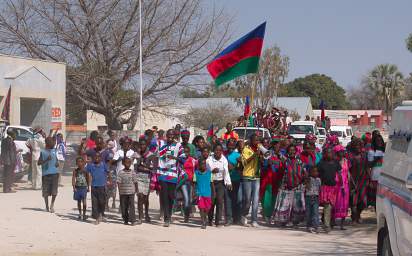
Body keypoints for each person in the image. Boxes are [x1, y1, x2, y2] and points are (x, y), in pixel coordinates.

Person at [272, 144, 306, 227]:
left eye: (293, 150)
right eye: (290, 150)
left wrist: (304, 181)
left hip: (297, 186)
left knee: (296, 205)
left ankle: (295, 221)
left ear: (296, 151)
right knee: (284, 203)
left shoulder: (299, 161)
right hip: (285, 186)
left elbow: (304, 172)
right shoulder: (285, 160)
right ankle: (283, 220)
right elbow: (277, 167)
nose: (292, 152)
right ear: (287, 152)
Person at [157, 129, 181, 227]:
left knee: (171, 196)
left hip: (173, 174)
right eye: (169, 134)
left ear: (174, 135)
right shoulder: (161, 143)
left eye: (172, 134)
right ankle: (166, 218)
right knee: (164, 196)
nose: (170, 136)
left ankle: (169, 214)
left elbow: (183, 158)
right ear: (166, 135)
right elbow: (153, 149)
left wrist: (175, 158)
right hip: (162, 173)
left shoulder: (178, 146)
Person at [206, 144, 232, 227]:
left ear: (222, 151)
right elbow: (208, 169)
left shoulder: (224, 159)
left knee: (220, 201)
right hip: (211, 183)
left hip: (220, 183)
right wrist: (212, 170)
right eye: (216, 150)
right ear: (214, 151)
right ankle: (210, 219)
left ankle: (217, 221)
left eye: (220, 150)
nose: (218, 152)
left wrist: (228, 183)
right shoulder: (209, 159)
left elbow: (226, 172)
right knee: (212, 201)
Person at [318, 147, 341, 233]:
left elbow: (339, 173)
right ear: (324, 154)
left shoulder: (336, 163)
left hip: (333, 187)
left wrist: (341, 184)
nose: (329, 154)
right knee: (327, 205)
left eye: (330, 152)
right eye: (327, 153)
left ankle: (326, 221)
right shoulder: (321, 163)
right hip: (324, 187)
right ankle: (327, 225)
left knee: (330, 206)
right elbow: (317, 174)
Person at [134, 138, 157, 224]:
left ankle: (146, 214)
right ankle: (140, 217)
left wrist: (143, 166)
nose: (142, 146)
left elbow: (153, 168)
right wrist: (145, 167)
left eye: (144, 144)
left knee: (146, 198)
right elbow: (136, 167)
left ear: (147, 145)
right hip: (138, 177)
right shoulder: (136, 154)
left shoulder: (151, 155)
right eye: (141, 145)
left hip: (147, 178)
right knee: (140, 196)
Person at [260, 137, 283, 223]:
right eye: (275, 144)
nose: (276, 145)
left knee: (275, 197)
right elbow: (264, 165)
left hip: (277, 179)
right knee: (267, 197)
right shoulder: (268, 153)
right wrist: (266, 162)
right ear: (272, 145)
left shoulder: (281, 154)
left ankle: (272, 213)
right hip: (268, 179)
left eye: (278, 143)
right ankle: (267, 214)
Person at [240, 134, 261, 227]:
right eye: (255, 140)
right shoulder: (246, 149)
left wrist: (262, 156)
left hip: (256, 177)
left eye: (258, 140)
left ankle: (254, 220)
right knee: (247, 199)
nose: (256, 142)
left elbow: (263, 161)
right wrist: (254, 155)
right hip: (247, 177)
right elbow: (244, 163)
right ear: (251, 140)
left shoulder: (260, 148)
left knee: (255, 200)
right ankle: (244, 215)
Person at [348, 138, 370, 224]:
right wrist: (350, 180)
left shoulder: (364, 155)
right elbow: (348, 169)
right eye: (356, 145)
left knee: (364, 201)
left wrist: (369, 178)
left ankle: (358, 213)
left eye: (359, 145)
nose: (358, 147)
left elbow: (367, 166)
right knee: (353, 201)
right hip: (352, 180)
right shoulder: (350, 156)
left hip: (363, 180)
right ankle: (354, 217)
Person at [87, 152, 111, 225]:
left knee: (102, 202)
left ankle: (101, 213)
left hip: (102, 186)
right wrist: (88, 184)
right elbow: (86, 173)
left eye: (98, 157)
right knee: (94, 203)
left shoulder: (103, 165)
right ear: (93, 158)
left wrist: (109, 180)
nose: (97, 158)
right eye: (95, 157)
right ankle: (97, 218)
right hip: (94, 186)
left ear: (101, 158)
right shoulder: (91, 165)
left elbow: (108, 172)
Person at [38, 137, 60, 213]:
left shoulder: (54, 151)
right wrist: (47, 160)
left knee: (54, 191)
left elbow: (56, 161)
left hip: (55, 174)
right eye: (52, 142)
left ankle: (52, 205)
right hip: (46, 175)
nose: (54, 143)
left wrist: (57, 163)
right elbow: (39, 163)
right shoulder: (42, 152)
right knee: (45, 192)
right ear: (47, 143)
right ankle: (47, 206)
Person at [224, 139, 242, 226]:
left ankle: (237, 218)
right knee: (228, 200)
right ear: (227, 145)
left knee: (237, 200)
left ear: (235, 146)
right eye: (229, 145)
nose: (230, 147)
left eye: (232, 146)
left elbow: (242, 167)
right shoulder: (224, 155)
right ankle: (229, 218)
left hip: (236, 180)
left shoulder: (238, 155)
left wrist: (236, 166)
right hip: (227, 180)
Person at [177, 144, 196, 223]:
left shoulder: (192, 160)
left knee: (190, 200)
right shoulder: (181, 159)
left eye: (187, 152)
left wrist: (195, 181)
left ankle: (187, 214)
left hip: (191, 181)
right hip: (184, 181)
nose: (186, 153)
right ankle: (186, 216)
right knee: (186, 198)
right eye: (185, 152)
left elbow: (194, 170)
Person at [333, 145, 350, 230]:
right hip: (336, 185)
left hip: (345, 184)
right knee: (335, 202)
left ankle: (342, 224)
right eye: (340, 152)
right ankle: (332, 221)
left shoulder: (346, 161)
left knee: (345, 203)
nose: (342, 153)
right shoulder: (334, 162)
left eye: (343, 151)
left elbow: (348, 173)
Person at [117, 158, 138, 225]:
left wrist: (136, 190)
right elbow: (118, 182)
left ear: (131, 164)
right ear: (123, 163)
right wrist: (120, 191)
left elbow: (135, 182)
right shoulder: (120, 172)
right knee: (124, 206)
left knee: (132, 206)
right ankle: (125, 219)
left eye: (129, 163)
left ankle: (132, 220)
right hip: (123, 192)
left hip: (131, 192)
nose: (127, 164)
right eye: (126, 163)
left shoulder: (132, 172)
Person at [194, 159, 214, 229]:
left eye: (204, 164)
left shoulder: (209, 173)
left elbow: (212, 184)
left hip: (208, 194)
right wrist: (194, 193)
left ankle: (205, 217)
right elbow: (194, 184)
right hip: (200, 194)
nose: (203, 165)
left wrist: (214, 194)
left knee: (207, 208)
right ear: (199, 165)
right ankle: (203, 222)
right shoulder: (196, 173)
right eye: (202, 164)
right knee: (201, 208)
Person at [367, 134, 385, 209]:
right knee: (375, 197)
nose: (379, 142)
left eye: (380, 140)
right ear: (374, 142)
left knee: (383, 197)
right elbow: (369, 165)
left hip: (384, 178)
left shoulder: (385, 151)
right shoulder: (371, 152)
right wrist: (376, 159)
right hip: (375, 177)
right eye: (377, 141)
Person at [305, 166, 321, 233]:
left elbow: (320, 188)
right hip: (308, 197)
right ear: (310, 173)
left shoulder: (319, 180)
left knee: (315, 212)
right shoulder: (309, 179)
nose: (315, 173)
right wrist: (307, 179)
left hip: (316, 197)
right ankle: (309, 226)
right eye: (313, 171)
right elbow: (307, 187)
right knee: (308, 213)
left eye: (316, 171)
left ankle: (316, 226)